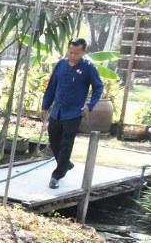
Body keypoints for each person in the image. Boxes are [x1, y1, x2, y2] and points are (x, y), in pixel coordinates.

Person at [41, 38, 104, 189]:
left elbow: (98, 87)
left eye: (76, 53)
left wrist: (89, 105)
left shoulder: (88, 67)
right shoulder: (61, 65)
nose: (73, 56)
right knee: (54, 140)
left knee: (66, 144)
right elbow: (51, 87)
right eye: (71, 52)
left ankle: (57, 175)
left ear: (83, 52)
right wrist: (45, 106)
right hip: (57, 112)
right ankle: (66, 164)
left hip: (74, 113)